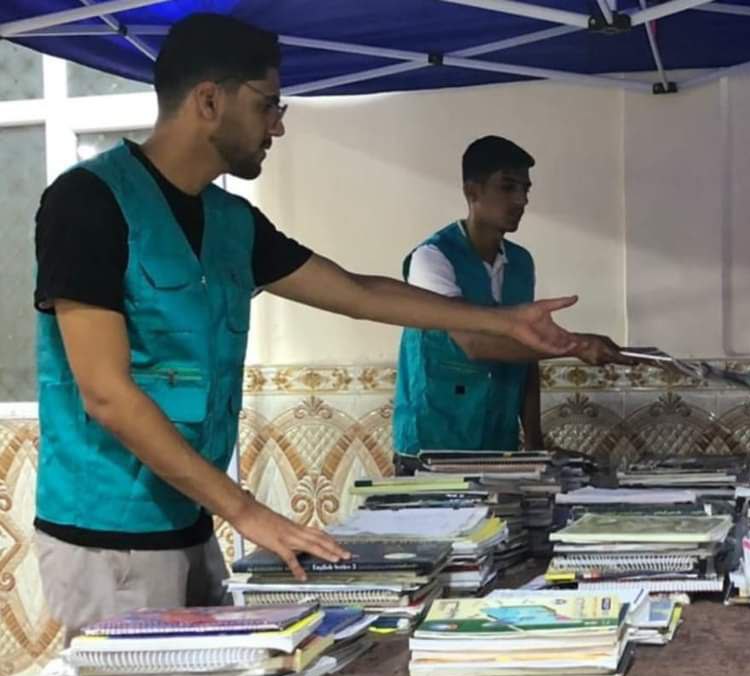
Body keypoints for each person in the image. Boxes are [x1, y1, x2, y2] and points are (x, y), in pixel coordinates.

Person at [32, 13, 585, 636]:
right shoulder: (88, 201)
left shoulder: (231, 221)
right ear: (209, 101)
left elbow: (356, 293)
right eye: (267, 105)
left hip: (192, 517)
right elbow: (106, 393)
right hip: (107, 538)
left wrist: (505, 321)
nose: (278, 125)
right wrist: (247, 512)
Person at [393, 135, 628, 457]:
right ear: (472, 191)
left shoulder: (520, 262)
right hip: (432, 442)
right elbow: (474, 343)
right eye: (507, 187)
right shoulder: (432, 258)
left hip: (498, 444)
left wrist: (534, 444)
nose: (521, 200)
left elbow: (528, 354)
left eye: (525, 189)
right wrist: (577, 345)